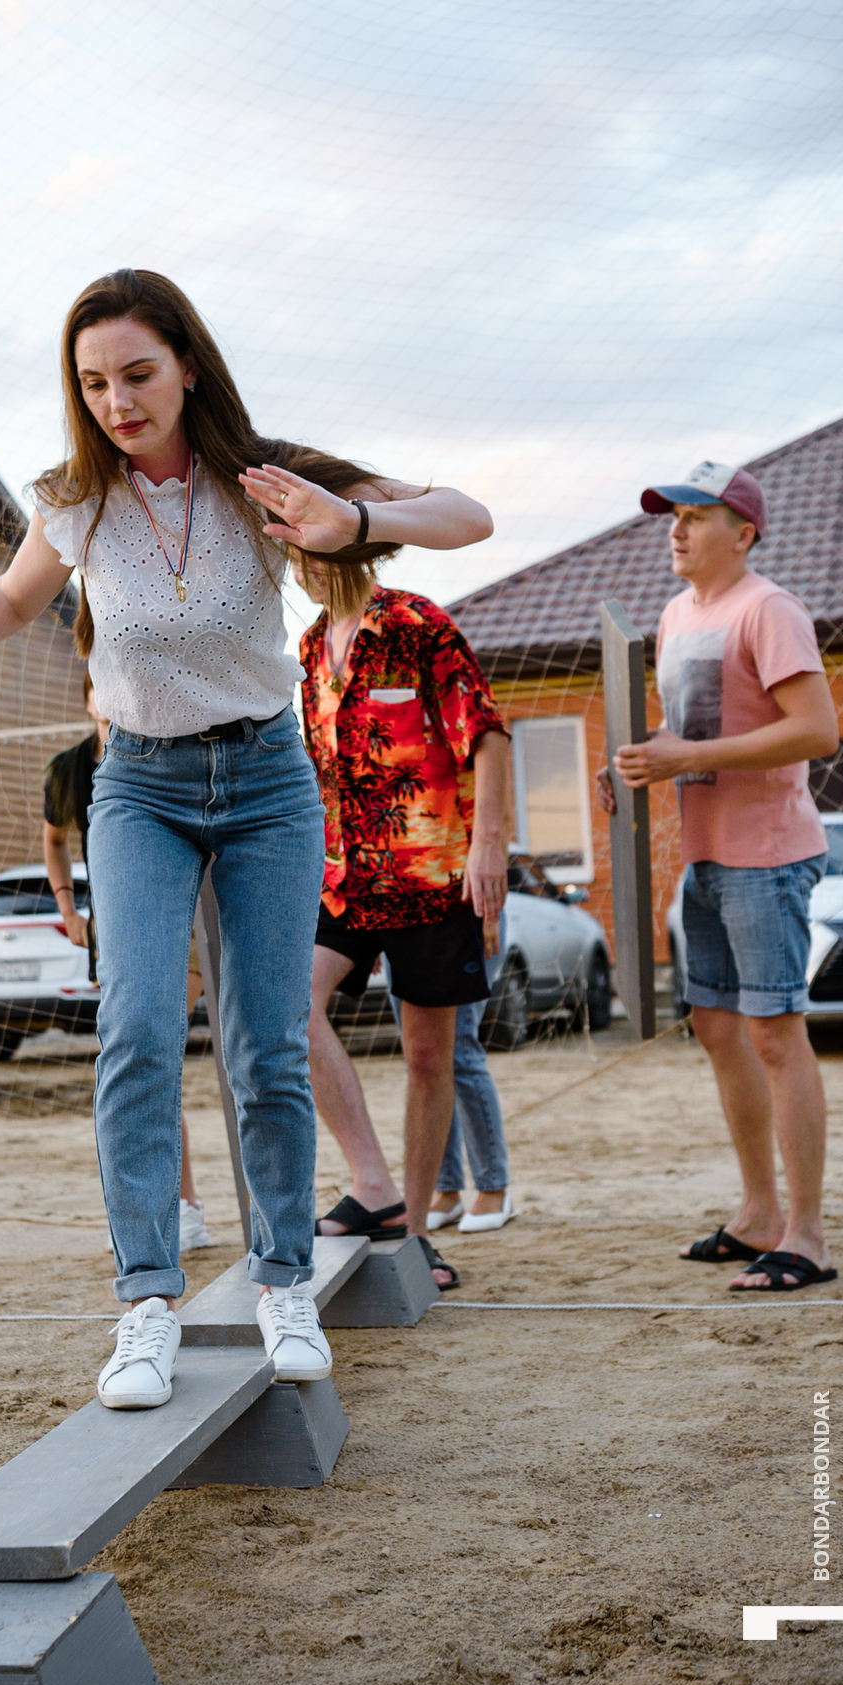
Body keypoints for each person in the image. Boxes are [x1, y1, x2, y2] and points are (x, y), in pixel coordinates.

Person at [0, 267, 492, 1408]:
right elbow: (8, 602)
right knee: (138, 1029)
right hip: (141, 789)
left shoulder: (263, 475)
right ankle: (145, 1306)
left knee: (267, 1044)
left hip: (266, 783)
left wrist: (354, 521)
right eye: (93, 383)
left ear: (188, 367)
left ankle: (283, 1284)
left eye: (138, 374)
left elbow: (467, 514)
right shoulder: (74, 498)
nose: (117, 401)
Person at [599, 461, 839, 1292]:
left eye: (697, 516)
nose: (677, 528)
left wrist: (684, 755)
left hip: (767, 853)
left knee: (776, 1034)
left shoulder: (769, 608)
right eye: (672, 515)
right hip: (704, 852)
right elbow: (688, 732)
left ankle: (807, 1238)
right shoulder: (676, 614)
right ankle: (759, 1214)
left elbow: (818, 731)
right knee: (714, 1025)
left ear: (743, 533)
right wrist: (635, 763)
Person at [294, 550, 511, 1291]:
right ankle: (375, 1187)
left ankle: (416, 1234)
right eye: (288, 550)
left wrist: (489, 844)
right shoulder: (308, 646)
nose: (298, 565)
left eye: (308, 546)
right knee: (289, 1006)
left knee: (427, 1057)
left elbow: (486, 733)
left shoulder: (420, 623)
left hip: (431, 873)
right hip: (340, 879)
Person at [43, 670, 211, 1252]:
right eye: (95, 684)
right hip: (116, 921)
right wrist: (68, 908)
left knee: (155, 1056)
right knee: (137, 1059)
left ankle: (183, 1208)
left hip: (185, 915)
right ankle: (166, 1211)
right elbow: (53, 839)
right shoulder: (70, 768)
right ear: (89, 698)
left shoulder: (171, 749)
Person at [426, 912, 516, 1234]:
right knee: (423, 1060)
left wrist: (489, 915)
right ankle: (446, 1191)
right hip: (400, 922)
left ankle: (494, 1189)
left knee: (459, 1050)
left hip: (462, 917)